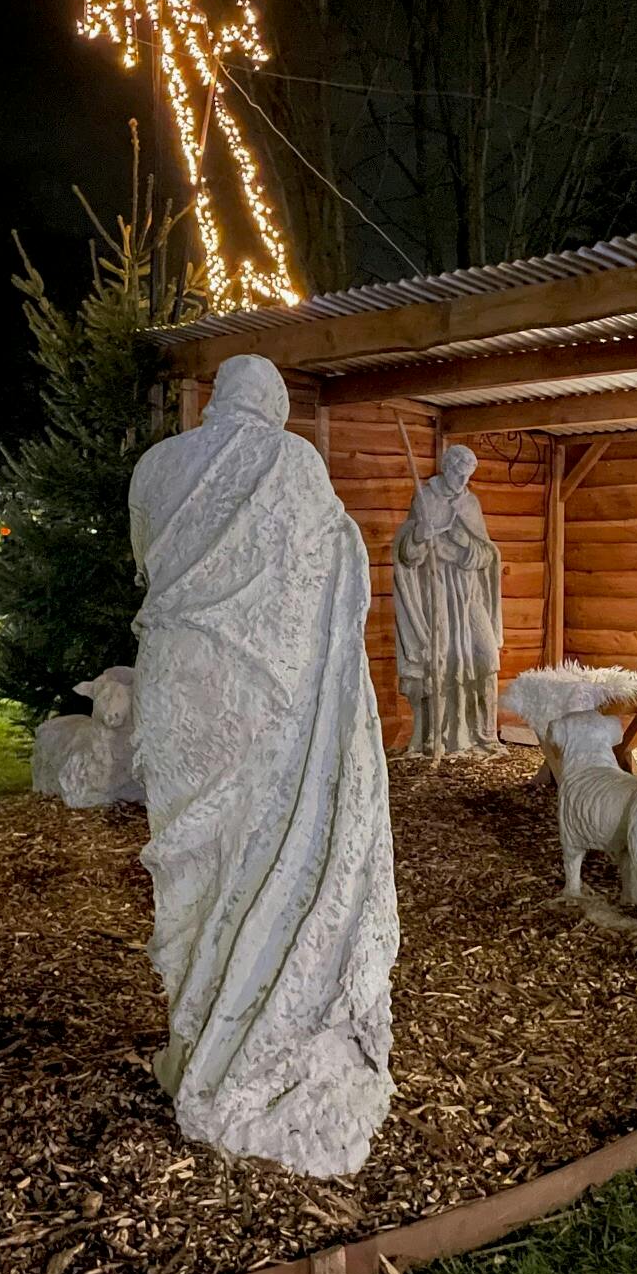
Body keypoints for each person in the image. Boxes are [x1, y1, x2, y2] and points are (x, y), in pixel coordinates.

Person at [128, 354, 399, 1178]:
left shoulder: (155, 465)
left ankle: (201, 1031)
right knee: (271, 850)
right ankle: (249, 1042)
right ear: (273, 403)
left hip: (179, 691)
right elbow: (320, 568)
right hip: (266, 696)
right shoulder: (291, 461)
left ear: (217, 402)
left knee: (195, 869)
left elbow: (151, 568)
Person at [392, 443, 503, 758]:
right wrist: (418, 536)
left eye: (468, 475)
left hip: (469, 594)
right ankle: (438, 737)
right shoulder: (425, 499)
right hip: (438, 592)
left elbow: (488, 555)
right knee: (440, 661)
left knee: (486, 657)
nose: (462, 480)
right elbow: (407, 556)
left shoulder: (471, 503)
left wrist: (466, 543)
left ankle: (485, 734)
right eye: (458, 473)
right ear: (447, 467)